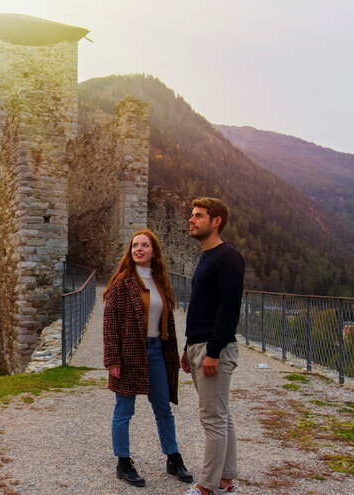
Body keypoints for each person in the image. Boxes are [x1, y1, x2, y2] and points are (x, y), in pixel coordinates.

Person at [104, 228, 194, 487]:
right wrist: (113, 359)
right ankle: (123, 462)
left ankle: (173, 458)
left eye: (144, 245)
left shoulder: (160, 281)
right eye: (135, 246)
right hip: (130, 352)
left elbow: (168, 322)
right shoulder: (122, 282)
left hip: (157, 351)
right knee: (124, 410)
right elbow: (110, 322)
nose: (139, 249)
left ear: (154, 252)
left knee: (163, 408)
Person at [181, 198, 245, 495]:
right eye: (192, 215)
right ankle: (225, 479)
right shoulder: (207, 256)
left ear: (216, 221)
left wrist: (214, 351)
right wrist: (188, 347)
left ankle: (205, 487)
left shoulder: (228, 257)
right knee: (222, 414)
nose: (191, 220)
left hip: (213, 348)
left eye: (198, 216)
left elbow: (229, 309)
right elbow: (201, 307)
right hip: (199, 345)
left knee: (213, 419)